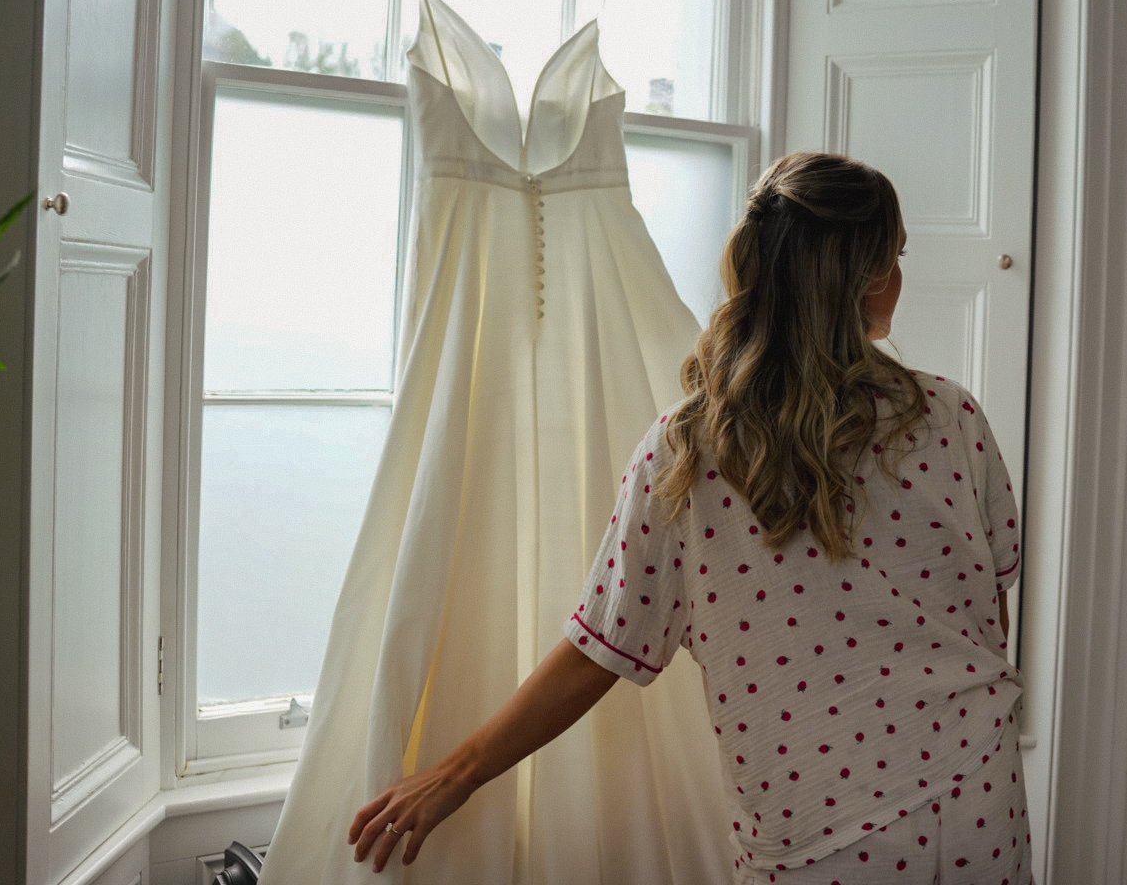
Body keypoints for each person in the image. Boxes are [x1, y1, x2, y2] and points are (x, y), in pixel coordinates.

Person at [347, 151, 1032, 884]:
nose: (902, 275)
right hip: (979, 793)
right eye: (895, 258)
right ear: (864, 279)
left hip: (816, 834)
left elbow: (598, 649)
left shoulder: (689, 451)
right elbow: (988, 610)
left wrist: (457, 772)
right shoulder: (952, 416)